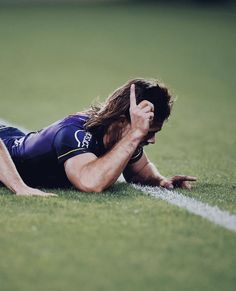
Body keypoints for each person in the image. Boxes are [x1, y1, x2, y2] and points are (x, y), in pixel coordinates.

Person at [0, 78, 196, 195]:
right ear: (121, 121)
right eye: (149, 132)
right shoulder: (73, 133)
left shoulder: (124, 135)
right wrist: (20, 188)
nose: (151, 140)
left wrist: (161, 181)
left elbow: (140, 172)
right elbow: (90, 182)